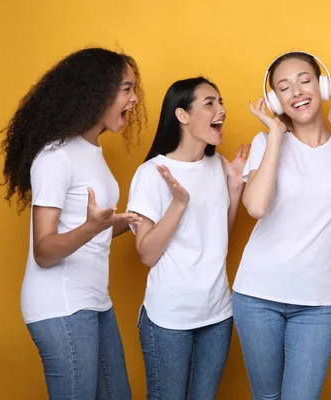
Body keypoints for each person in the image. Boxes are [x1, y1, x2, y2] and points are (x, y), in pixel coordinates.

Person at [1, 47, 146, 399]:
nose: (134, 98)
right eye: (126, 89)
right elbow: (44, 251)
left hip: (93, 299)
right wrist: (92, 227)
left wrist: (137, 217)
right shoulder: (56, 156)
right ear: (97, 92)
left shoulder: (90, 151)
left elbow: (95, 231)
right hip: (61, 305)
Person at [232, 51, 331, 400]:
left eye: (305, 80)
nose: (296, 92)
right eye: (284, 87)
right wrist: (277, 135)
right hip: (257, 294)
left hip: (316, 302)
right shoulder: (267, 143)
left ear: (324, 85)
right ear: (275, 100)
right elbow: (256, 205)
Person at [127, 77, 248, 399]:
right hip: (169, 317)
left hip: (217, 313)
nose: (221, 109)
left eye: (221, 102)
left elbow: (219, 235)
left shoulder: (217, 167)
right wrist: (179, 204)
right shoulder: (152, 173)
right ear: (182, 115)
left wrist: (235, 189)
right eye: (210, 103)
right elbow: (146, 254)